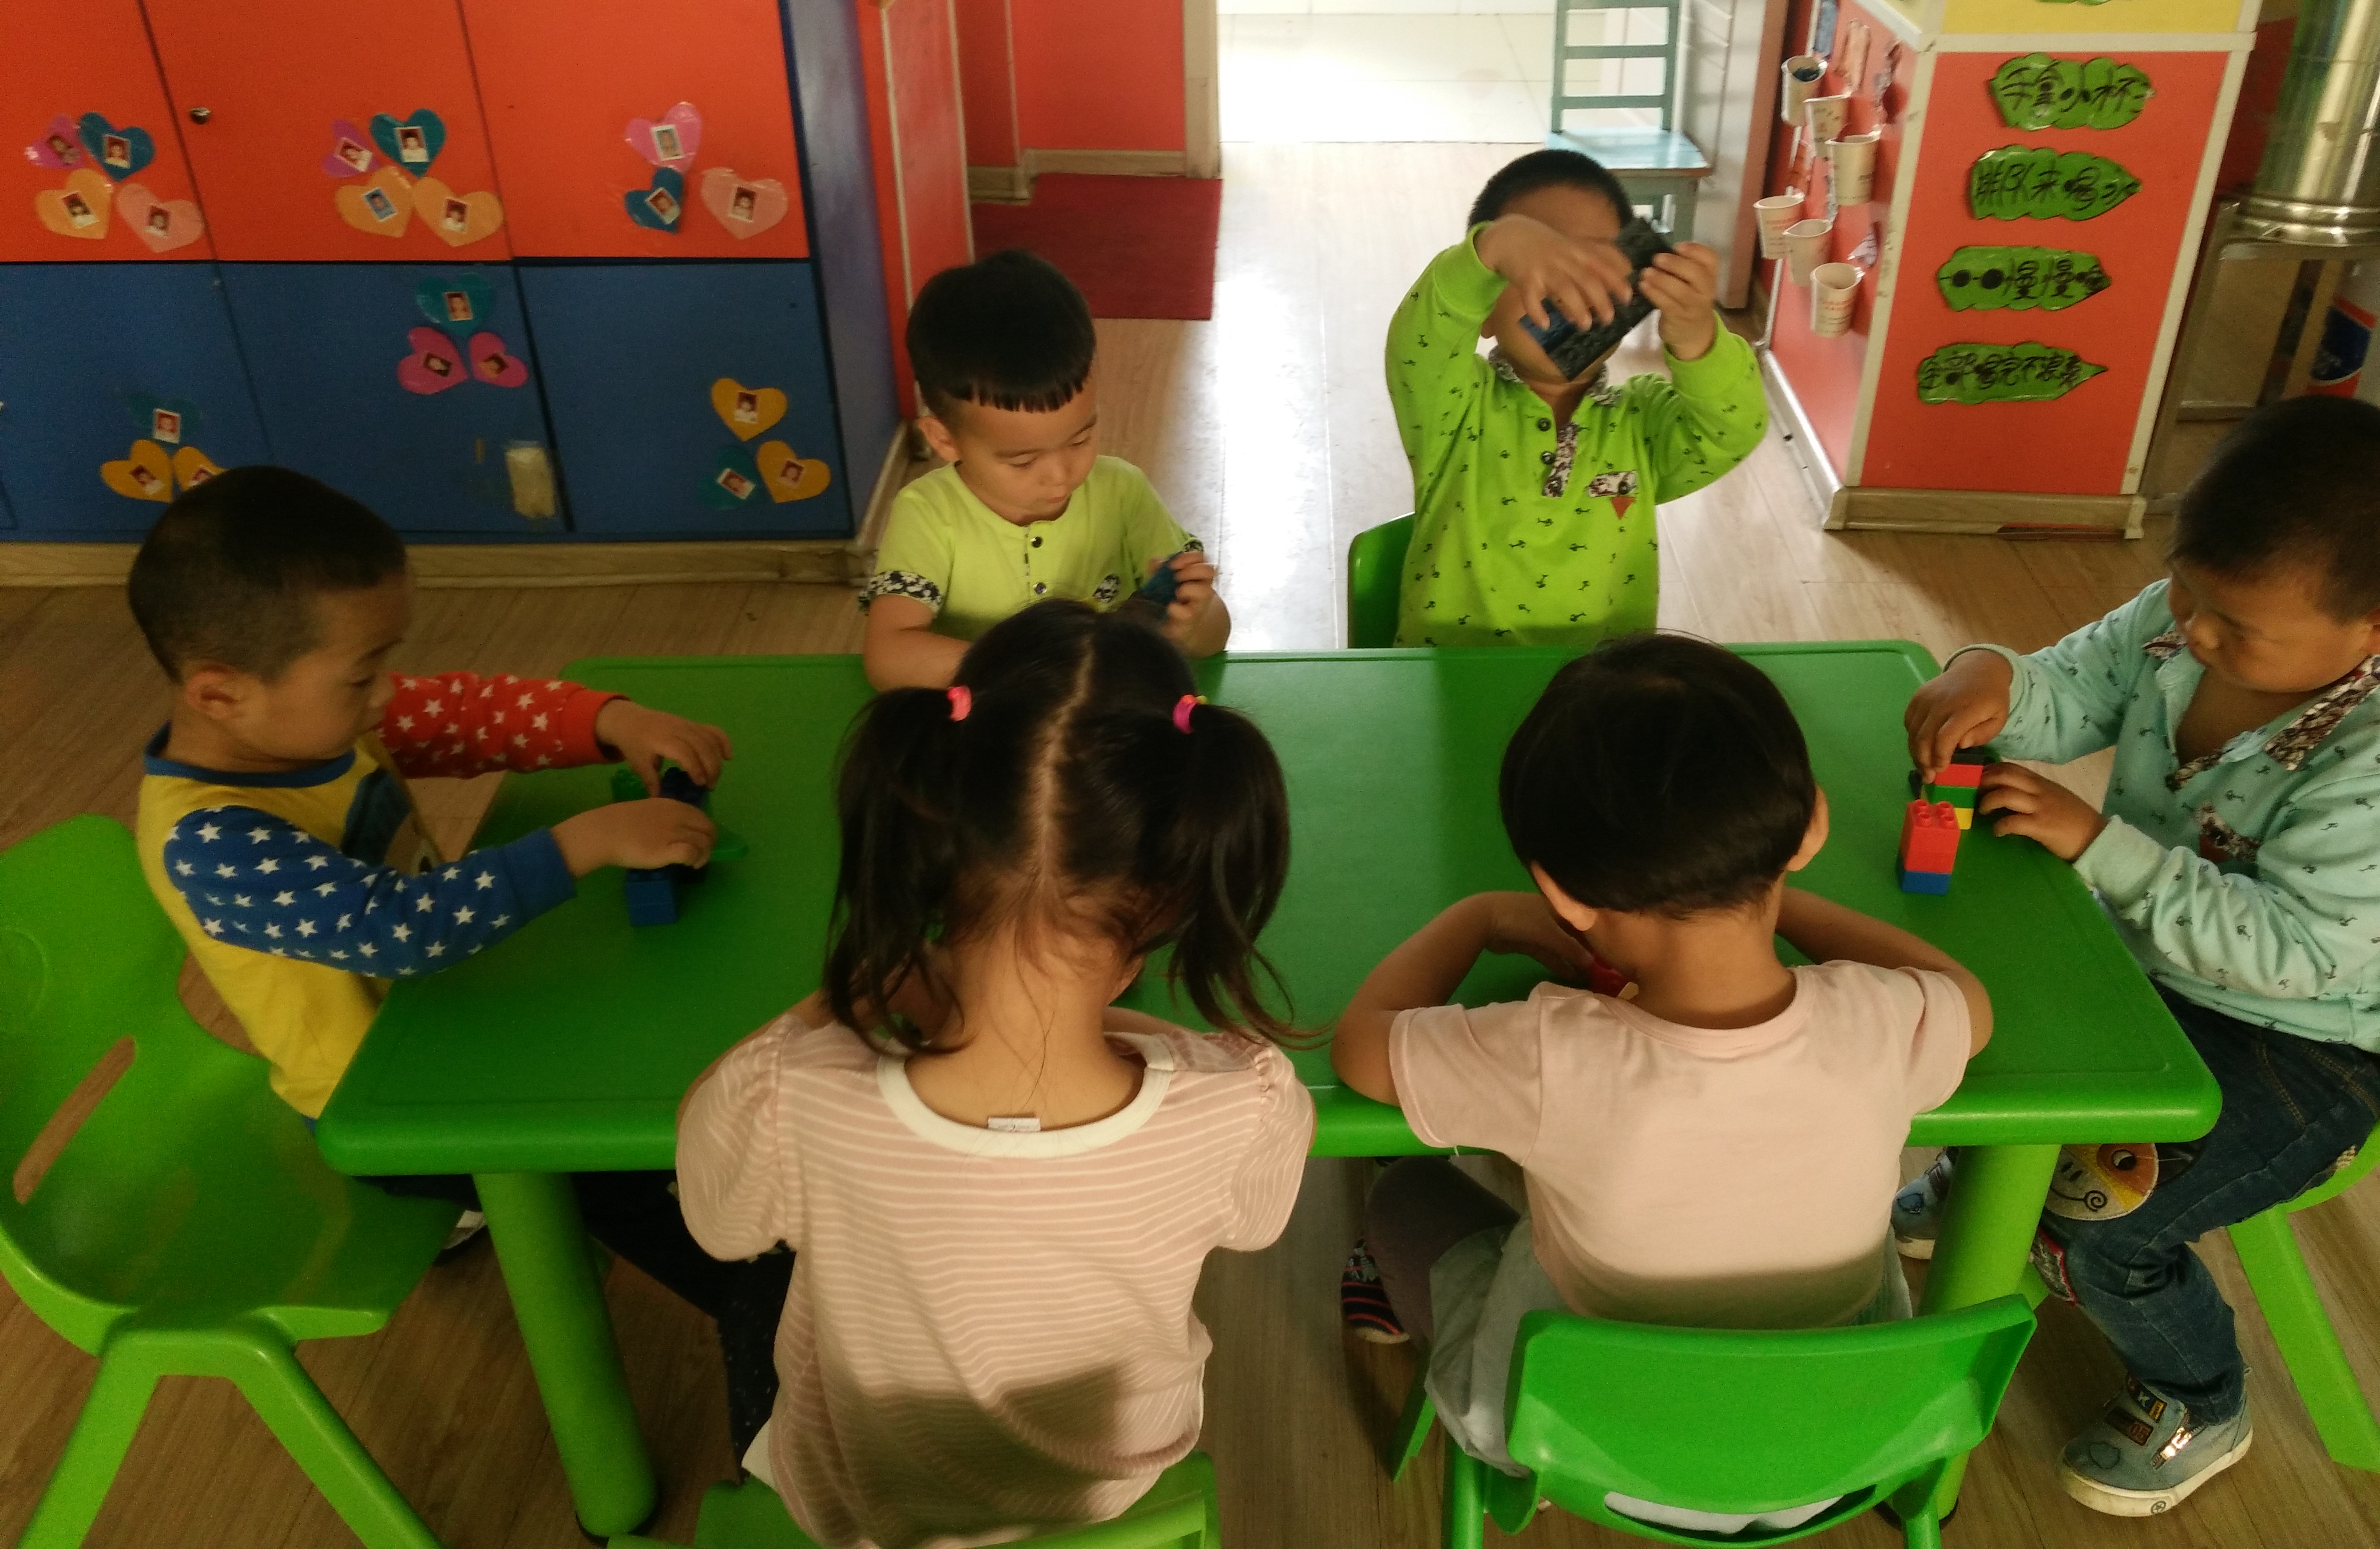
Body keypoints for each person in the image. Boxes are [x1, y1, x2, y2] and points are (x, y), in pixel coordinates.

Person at [128, 466, 787, 1444]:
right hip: (387, 1105)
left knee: (644, 1056)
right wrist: (585, 843)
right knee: (621, 1170)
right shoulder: (212, 840)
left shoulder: (305, 725)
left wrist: (612, 720)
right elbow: (399, 927)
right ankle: (772, 1329)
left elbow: (463, 714)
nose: (385, 695)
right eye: (362, 676)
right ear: (221, 693)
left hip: (455, 1026)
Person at [676, 601, 1313, 1548]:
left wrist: (836, 1005)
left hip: (872, 1507)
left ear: (929, 839)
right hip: (1107, 1495)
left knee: (754, 1297)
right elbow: (1254, 1226)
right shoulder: (1243, 1103)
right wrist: (1138, 1034)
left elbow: (717, 1218)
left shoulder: (792, 1097)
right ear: (1172, 886)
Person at [1332, 633, 1989, 1528]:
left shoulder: (1547, 1053)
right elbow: (1963, 994)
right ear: (1812, 828)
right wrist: (1765, 893)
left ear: (1562, 896)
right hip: (1840, 1447)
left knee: (1404, 1190)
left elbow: (1361, 1049)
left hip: (1581, 1450)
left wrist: (1479, 918)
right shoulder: (1881, 1020)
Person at [1901, 395, 2380, 1519]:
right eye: (2185, 592)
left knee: (2100, 1229)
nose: (2195, 634)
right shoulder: (2184, 625)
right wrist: (1989, 675)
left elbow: (2294, 952)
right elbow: (2069, 689)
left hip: (2302, 1044)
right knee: (1972, 1030)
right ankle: (1986, 1180)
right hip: (2145, 957)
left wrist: (2098, 846)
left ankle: (2199, 1394)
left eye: (2238, 629)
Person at [1385, 149, 1766, 647]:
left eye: (1592, 265)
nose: (1566, 290)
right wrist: (1492, 248)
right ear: (1483, 311)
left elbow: (1733, 428)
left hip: (1600, 685)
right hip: (1452, 676)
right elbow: (1419, 344)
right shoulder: (1453, 406)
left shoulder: (1642, 420)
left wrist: (1699, 339)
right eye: (1537, 266)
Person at [861, 250, 1228, 688]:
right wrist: (1036, 668)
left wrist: (1195, 621)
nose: (1060, 475)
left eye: (1080, 439)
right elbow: (888, 657)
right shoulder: (927, 512)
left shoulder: (1123, 493)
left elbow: (1214, 638)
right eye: (1022, 460)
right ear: (944, 439)